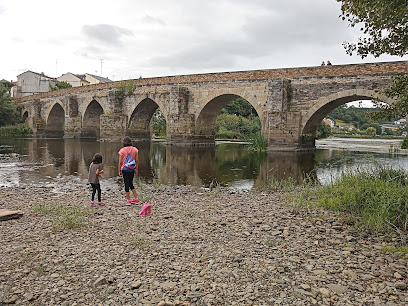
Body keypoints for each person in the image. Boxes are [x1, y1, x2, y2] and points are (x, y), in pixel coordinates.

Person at [118, 136, 140, 205]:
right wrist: (136, 169)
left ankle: (128, 200)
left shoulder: (122, 151)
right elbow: (136, 160)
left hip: (125, 169)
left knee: (126, 184)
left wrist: (119, 170)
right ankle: (136, 198)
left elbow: (120, 162)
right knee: (130, 183)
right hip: (132, 169)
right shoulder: (135, 150)